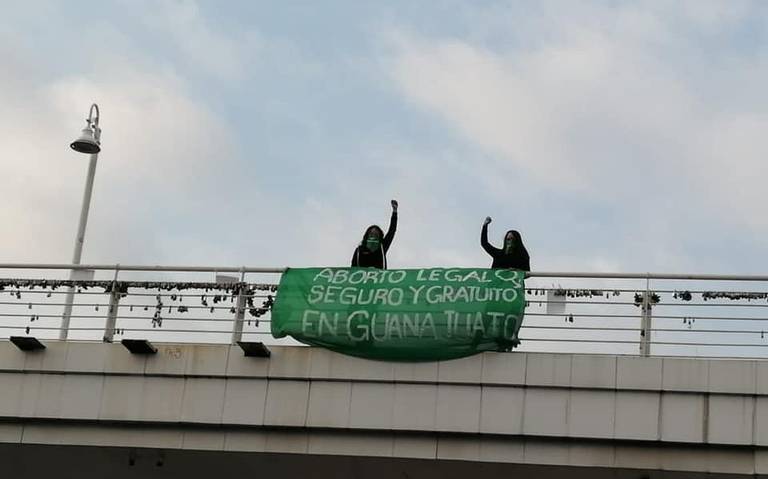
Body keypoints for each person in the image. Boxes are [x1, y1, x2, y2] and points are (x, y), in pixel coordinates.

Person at [351, 200, 398, 269]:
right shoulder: (359, 250)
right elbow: (352, 269)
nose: (373, 236)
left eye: (376, 235)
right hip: (362, 278)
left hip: (379, 279)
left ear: (379, 238)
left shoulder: (382, 247)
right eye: (371, 234)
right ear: (367, 236)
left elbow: (392, 231)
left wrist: (394, 212)